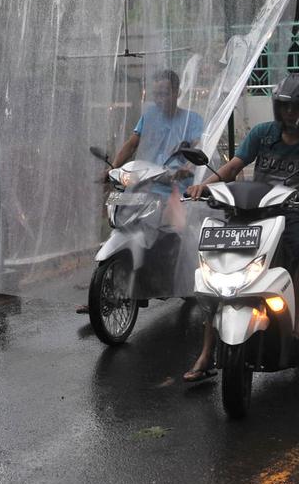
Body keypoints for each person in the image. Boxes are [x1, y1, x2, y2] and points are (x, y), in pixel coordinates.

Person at [182, 73, 299, 381]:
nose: (290, 114)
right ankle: (207, 352)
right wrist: (204, 186)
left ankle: (298, 325)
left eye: (298, 108)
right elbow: (233, 167)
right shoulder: (263, 133)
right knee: (217, 270)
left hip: (291, 211)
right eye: (286, 107)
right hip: (248, 210)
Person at [77, 69, 204, 314]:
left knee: (172, 232)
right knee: (123, 222)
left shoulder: (193, 120)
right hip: (145, 183)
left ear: (177, 93)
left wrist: (187, 168)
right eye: (156, 94)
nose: (160, 99)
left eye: (165, 93)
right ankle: (104, 288)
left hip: (175, 188)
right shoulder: (149, 115)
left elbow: (199, 147)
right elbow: (132, 143)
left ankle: (175, 277)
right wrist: (113, 169)